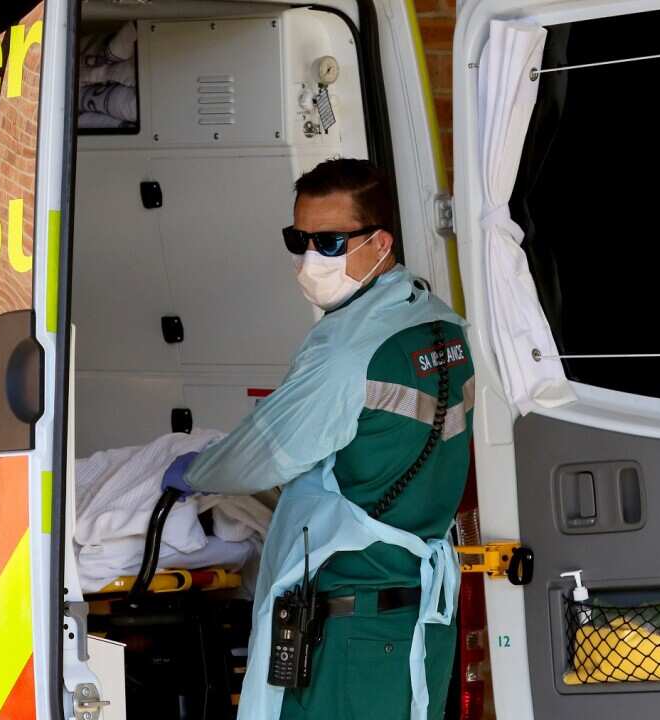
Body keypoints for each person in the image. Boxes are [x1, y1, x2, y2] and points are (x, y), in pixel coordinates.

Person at [161, 158, 474, 720]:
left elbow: (263, 452)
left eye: (329, 241)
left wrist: (194, 471)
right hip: (416, 624)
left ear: (380, 243)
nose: (310, 257)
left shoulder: (347, 350)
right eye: (299, 239)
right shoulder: (442, 326)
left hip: (350, 633)